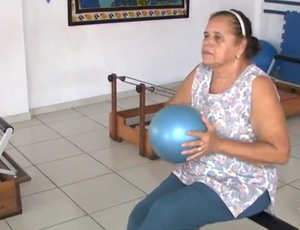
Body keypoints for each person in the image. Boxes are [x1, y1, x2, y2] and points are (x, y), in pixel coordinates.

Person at [126, 9, 290, 230]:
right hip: (198, 170)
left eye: (218, 37)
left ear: (240, 46)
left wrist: (218, 144)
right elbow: (173, 108)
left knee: (165, 214)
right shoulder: (202, 72)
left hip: (243, 182)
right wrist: (166, 130)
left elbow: (279, 152)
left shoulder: (257, 85)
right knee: (138, 217)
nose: (207, 43)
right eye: (206, 36)